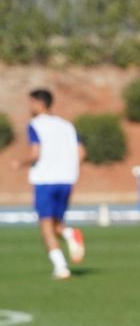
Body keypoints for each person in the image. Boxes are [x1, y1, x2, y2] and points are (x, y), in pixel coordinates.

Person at [19, 88, 86, 281]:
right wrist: (70, 170)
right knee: (56, 222)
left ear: (39, 104)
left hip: (45, 179)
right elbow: (81, 153)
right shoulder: (67, 126)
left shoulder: (34, 125)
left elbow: (35, 153)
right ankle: (69, 232)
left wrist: (20, 163)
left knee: (46, 224)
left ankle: (61, 267)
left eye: (31, 103)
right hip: (66, 179)